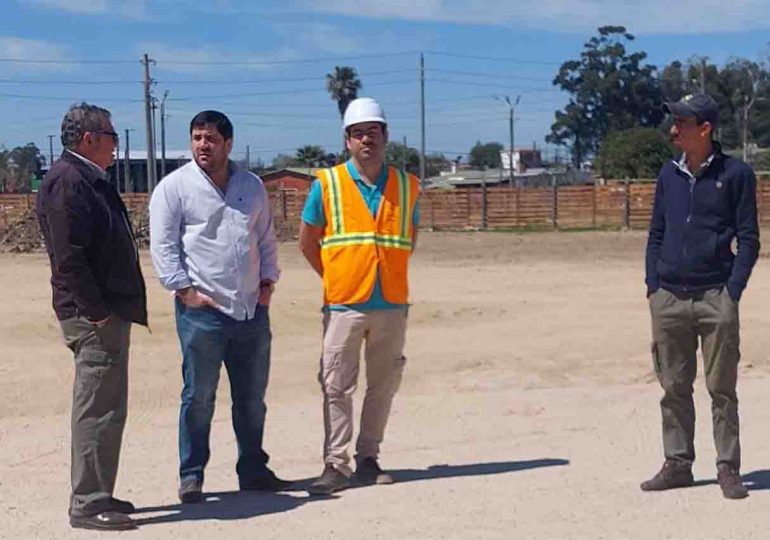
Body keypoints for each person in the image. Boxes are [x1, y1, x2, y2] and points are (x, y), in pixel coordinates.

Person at [149, 110, 289, 503]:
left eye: (210, 139)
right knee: (199, 397)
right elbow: (163, 246)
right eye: (196, 138)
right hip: (202, 313)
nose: (202, 145)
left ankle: (254, 470)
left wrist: (267, 283)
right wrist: (183, 291)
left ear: (228, 143)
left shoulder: (252, 185)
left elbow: (265, 238)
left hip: (250, 311)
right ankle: (192, 475)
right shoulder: (174, 188)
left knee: (251, 397)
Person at [299, 97, 421, 495]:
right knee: (336, 385)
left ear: (386, 136)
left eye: (373, 131)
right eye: (358, 133)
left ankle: (369, 458)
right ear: (347, 140)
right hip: (345, 303)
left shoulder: (407, 185)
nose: (366, 139)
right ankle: (336, 464)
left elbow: (408, 239)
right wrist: (334, 276)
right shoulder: (327, 184)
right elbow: (307, 241)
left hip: (391, 303)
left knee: (383, 384)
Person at [642, 93, 760, 499]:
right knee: (673, 386)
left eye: (682, 122)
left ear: (705, 129)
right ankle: (678, 463)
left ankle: (728, 468)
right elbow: (656, 233)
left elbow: (749, 239)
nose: (674, 129)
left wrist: (733, 291)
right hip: (669, 297)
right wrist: (652, 286)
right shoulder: (667, 175)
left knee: (721, 387)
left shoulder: (738, 174)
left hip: (715, 296)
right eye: (674, 121)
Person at [36, 103, 147, 531]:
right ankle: (87, 502)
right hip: (94, 317)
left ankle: (99, 489)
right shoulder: (68, 182)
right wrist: (98, 314)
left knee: (109, 407)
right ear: (90, 140)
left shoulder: (88, 179)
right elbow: (69, 260)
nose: (116, 144)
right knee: (96, 408)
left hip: (108, 311)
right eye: (112, 136)